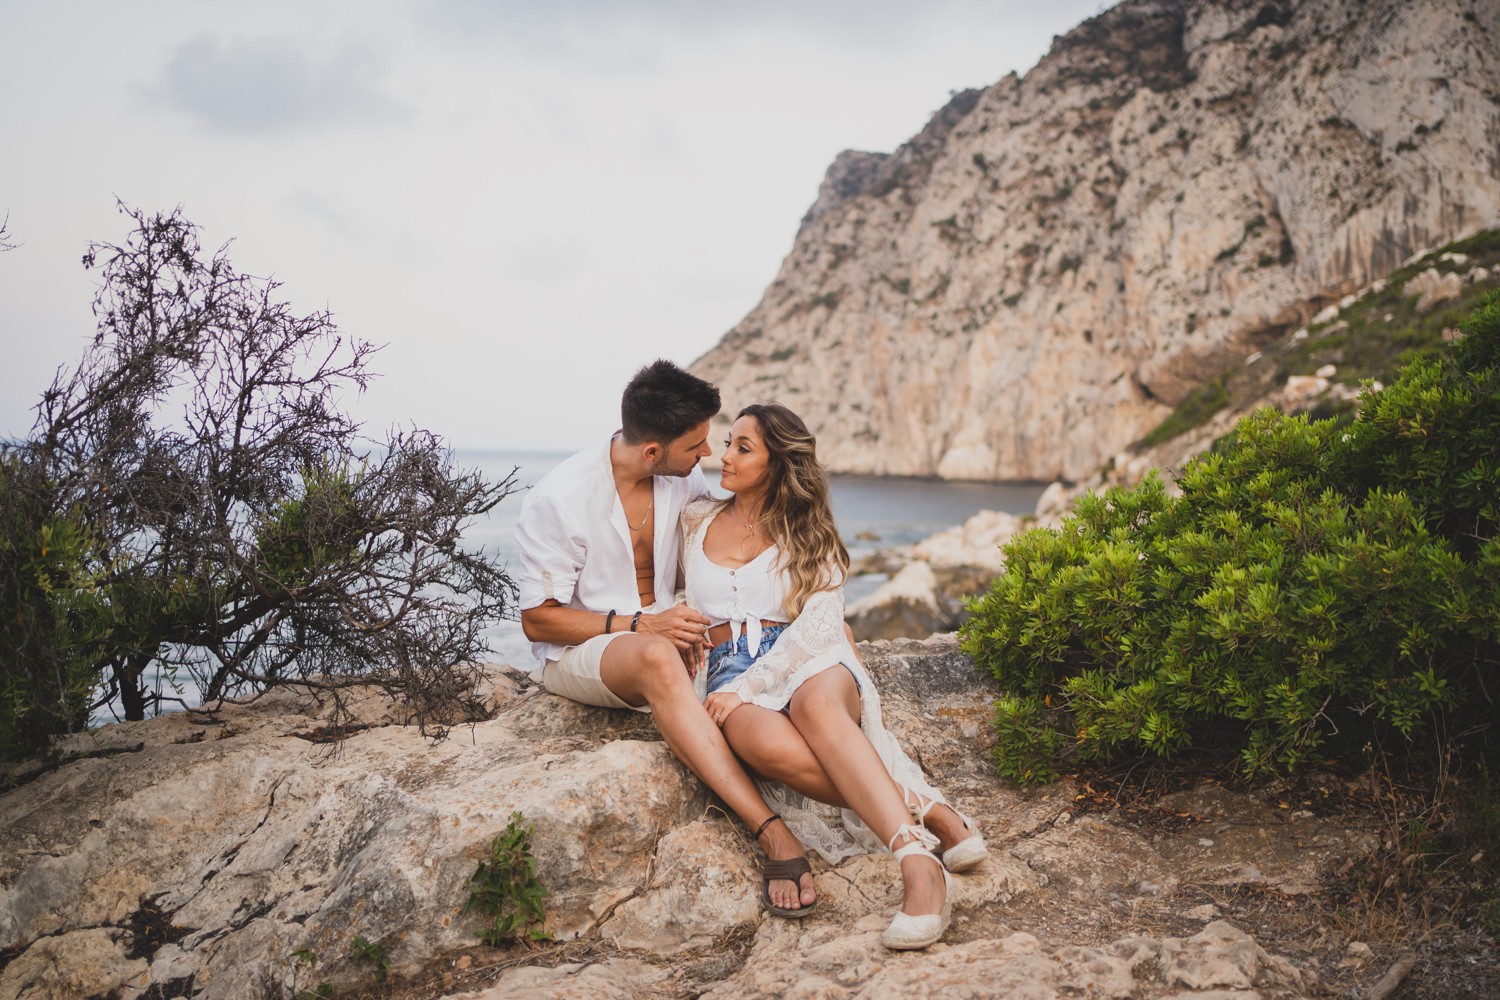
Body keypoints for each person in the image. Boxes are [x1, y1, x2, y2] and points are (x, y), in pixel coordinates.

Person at [513, 361, 819, 917]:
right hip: (583, 648)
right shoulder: (559, 501)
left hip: (664, 633)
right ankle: (769, 829)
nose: (708, 456)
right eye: (696, 445)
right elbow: (538, 620)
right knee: (658, 657)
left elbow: (724, 544)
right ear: (653, 451)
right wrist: (638, 625)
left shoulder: (681, 478)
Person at [682, 402, 988, 950]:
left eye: (742, 447)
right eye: (728, 443)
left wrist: (753, 685)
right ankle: (929, 808)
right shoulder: (694, 518)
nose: (724, 456)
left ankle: (917, 865)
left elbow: (819, 623)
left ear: (778, 463)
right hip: (726, 665)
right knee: (760, 743)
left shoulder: (810, 531)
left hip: (811, 653)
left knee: (816, 709)